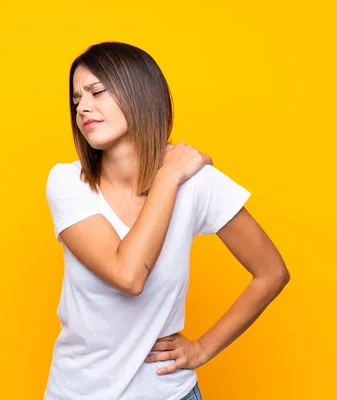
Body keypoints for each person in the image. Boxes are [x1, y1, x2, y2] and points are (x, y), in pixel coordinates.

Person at [44, 41, 290, 400]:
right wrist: (168, 177)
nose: (82, 106)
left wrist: (203, 348)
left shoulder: (196, 182)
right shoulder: (68, 183)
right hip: (78, 392)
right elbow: (128, 275)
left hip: (167, 392)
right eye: (76, 99)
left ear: (139, 93)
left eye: (96, 91)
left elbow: (272, 273)